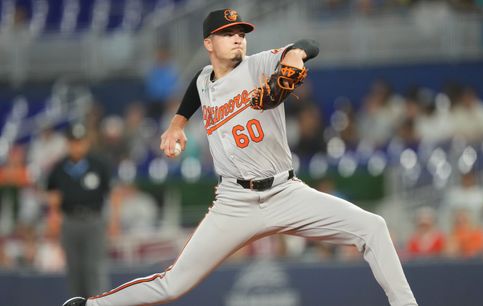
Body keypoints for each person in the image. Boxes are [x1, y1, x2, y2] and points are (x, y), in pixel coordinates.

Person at [62, 9, 418, 306]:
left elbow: (309, 46)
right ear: (208, 43)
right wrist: (176, 125)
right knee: (172, 284)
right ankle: (91, 305)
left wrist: (295, 55)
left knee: (373, 227)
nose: (237, 38)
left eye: (240, 33)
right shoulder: (203, 79)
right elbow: (194, 92)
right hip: (235, 201)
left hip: (285, 192)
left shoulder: (259, 64)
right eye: (227, 33)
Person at [48, 124, 112, 300]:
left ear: (87, 142)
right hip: (69, 221)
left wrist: (114, 221)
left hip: (94, 220)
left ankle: (99, 303)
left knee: (95, 268)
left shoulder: (99, 164)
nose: (77, 146)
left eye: (80, 142)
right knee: (74, 269)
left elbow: (112, 193)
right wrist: (53, 220)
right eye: (73, 142)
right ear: (67, 143)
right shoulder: (59, 167)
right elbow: (53, 195)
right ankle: (77, 303)